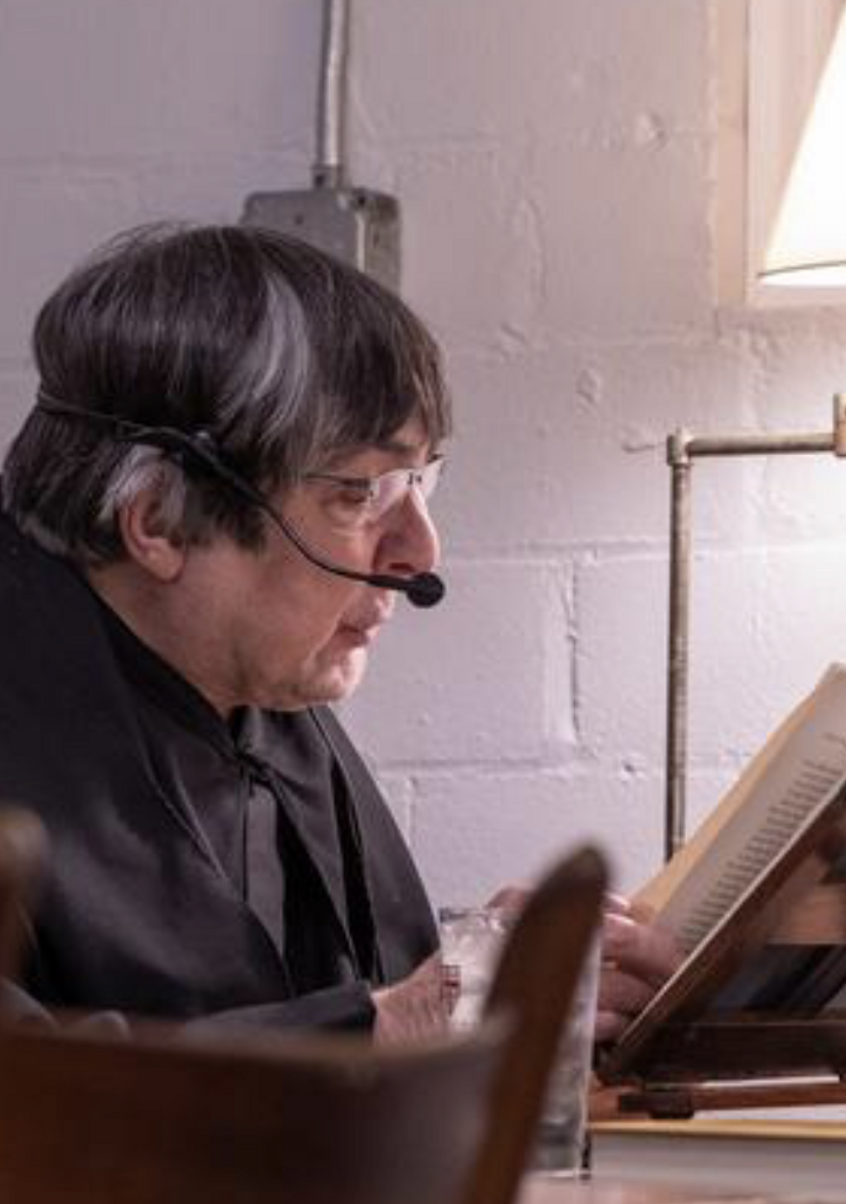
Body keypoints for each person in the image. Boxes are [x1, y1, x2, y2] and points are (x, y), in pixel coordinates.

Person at [0, 222, 677, 1040]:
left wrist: (498, 967)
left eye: (419, 482)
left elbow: (388, 1004)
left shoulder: (257, 682)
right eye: (358, 495)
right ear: (160, 524)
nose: (420, 551)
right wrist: (405, 1019)